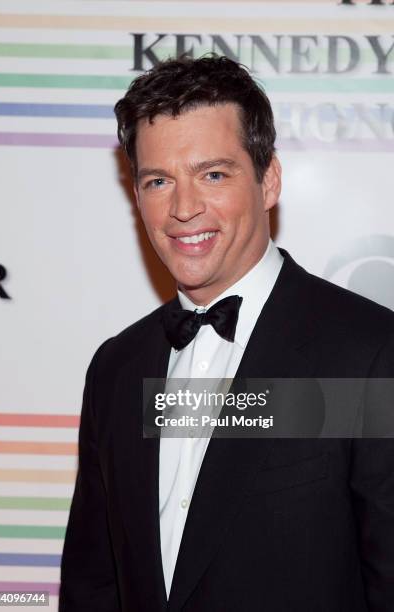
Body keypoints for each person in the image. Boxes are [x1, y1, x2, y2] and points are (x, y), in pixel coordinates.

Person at [59, 55, 394, 611]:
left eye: (213, 174)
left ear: (269, 181)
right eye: (159, 180)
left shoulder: (368, 352)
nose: (185, 208)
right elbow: (94, 582)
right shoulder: (117, 367)